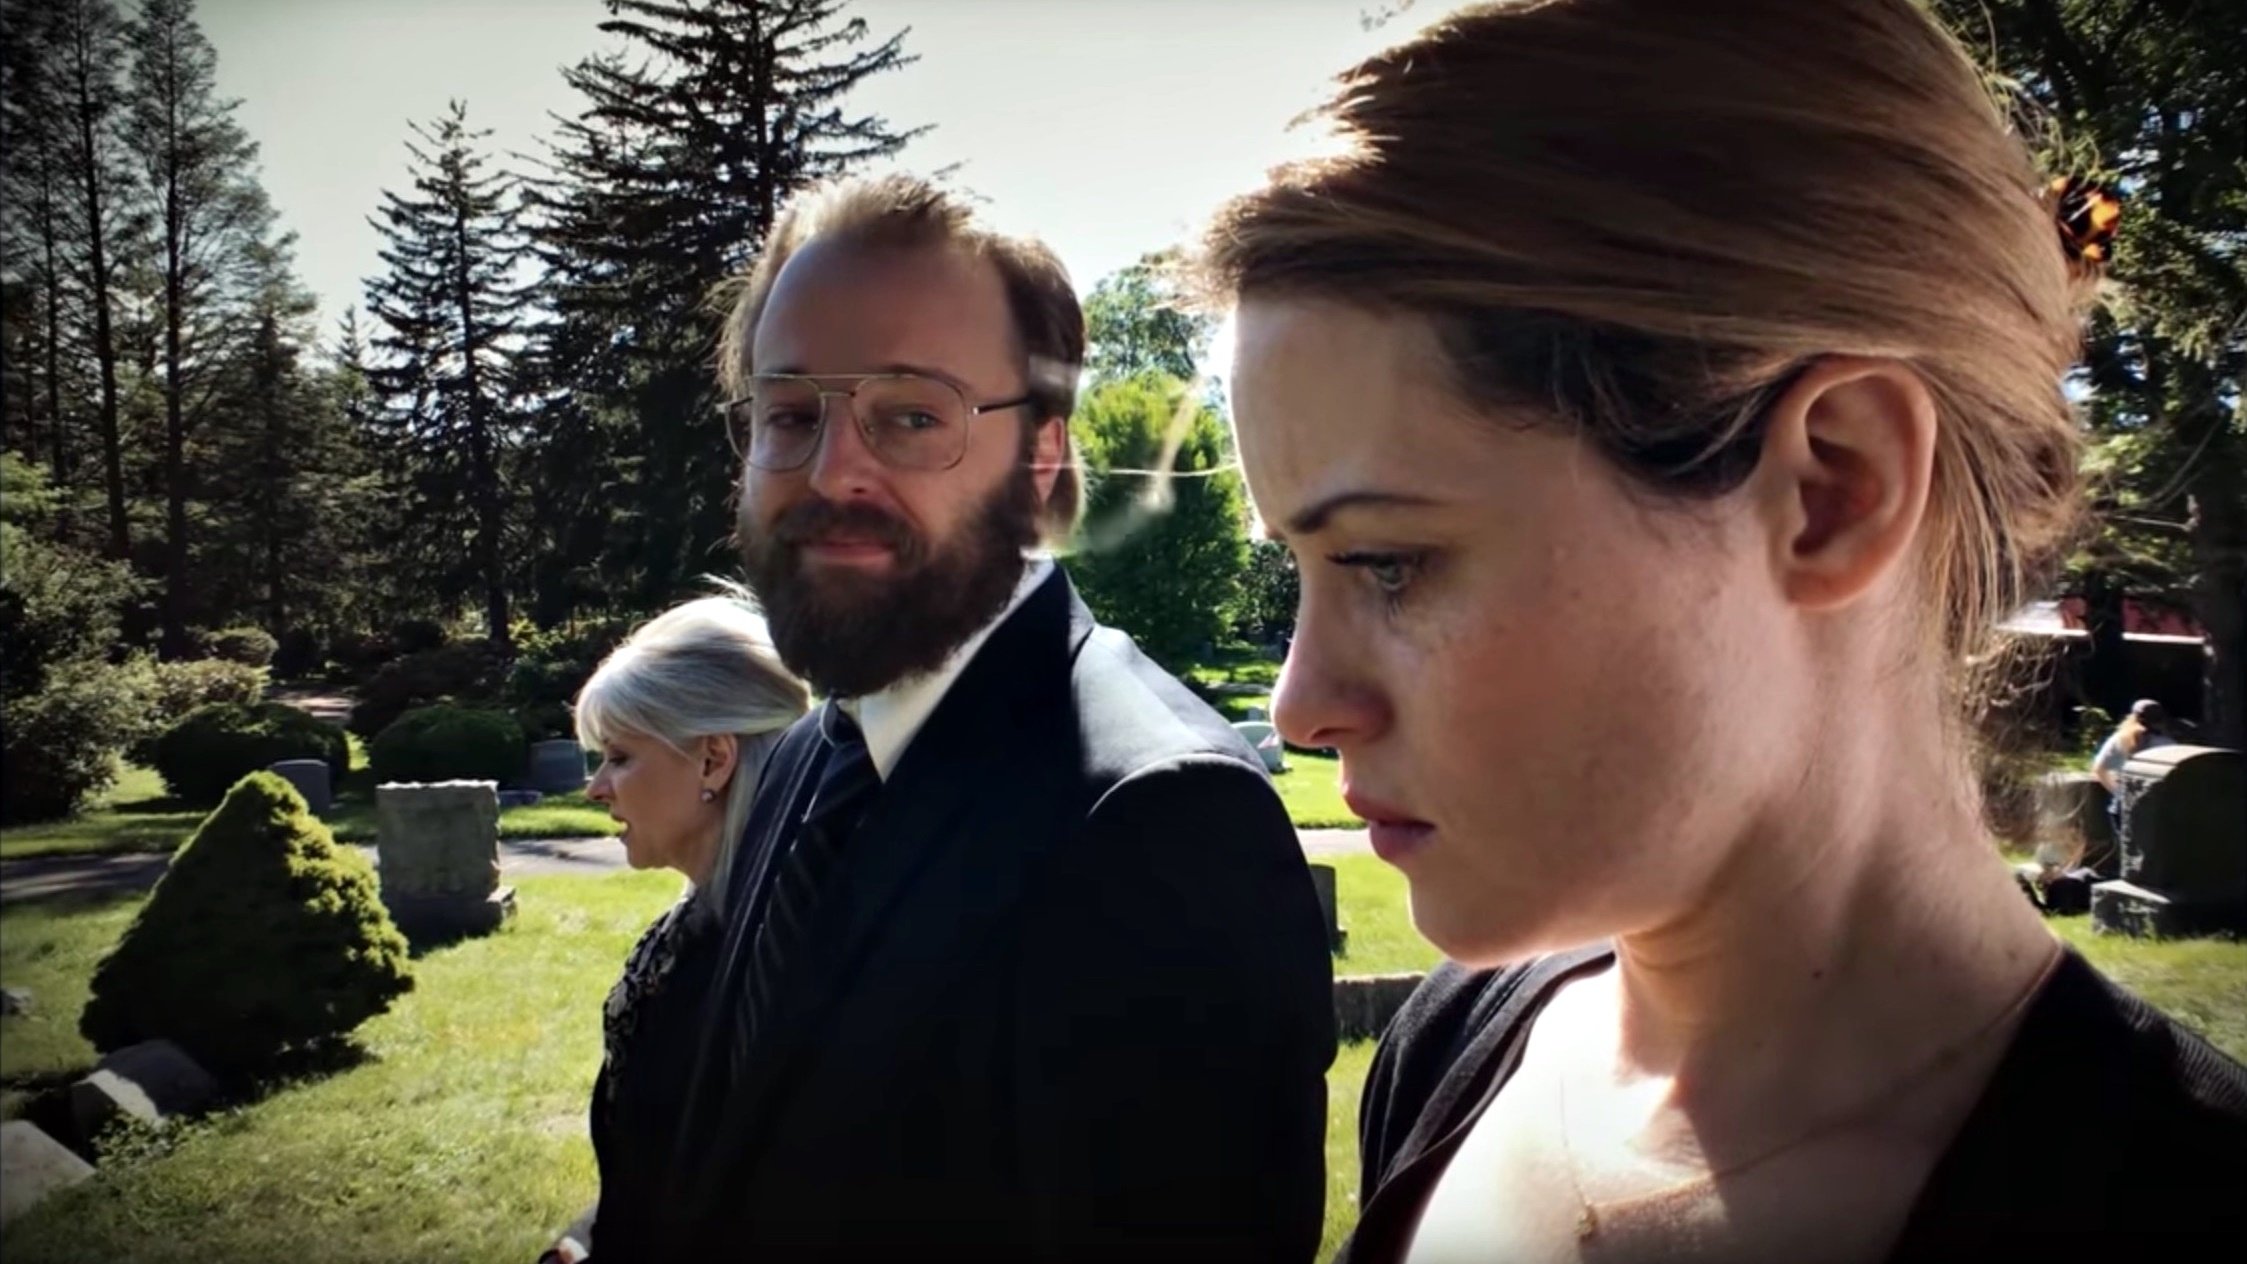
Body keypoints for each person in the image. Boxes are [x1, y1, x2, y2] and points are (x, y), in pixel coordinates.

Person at [1198, 1, 2247, 1260]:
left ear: (1833, 489)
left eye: (1389, 563)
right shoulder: (1449, 1049)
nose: (1302, 705)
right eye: (1303, 567)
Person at [644, 174, 1335, 1261]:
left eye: (913, 415)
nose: (832, 471)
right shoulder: (808, 756)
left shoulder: (1160, 829)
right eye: (790, 414)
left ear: (1041, 457)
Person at [539, 592, 810, 1264]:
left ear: (713, 759)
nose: (595, 788)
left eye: (618, 757)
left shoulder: (767, 969)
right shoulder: (693, 930)